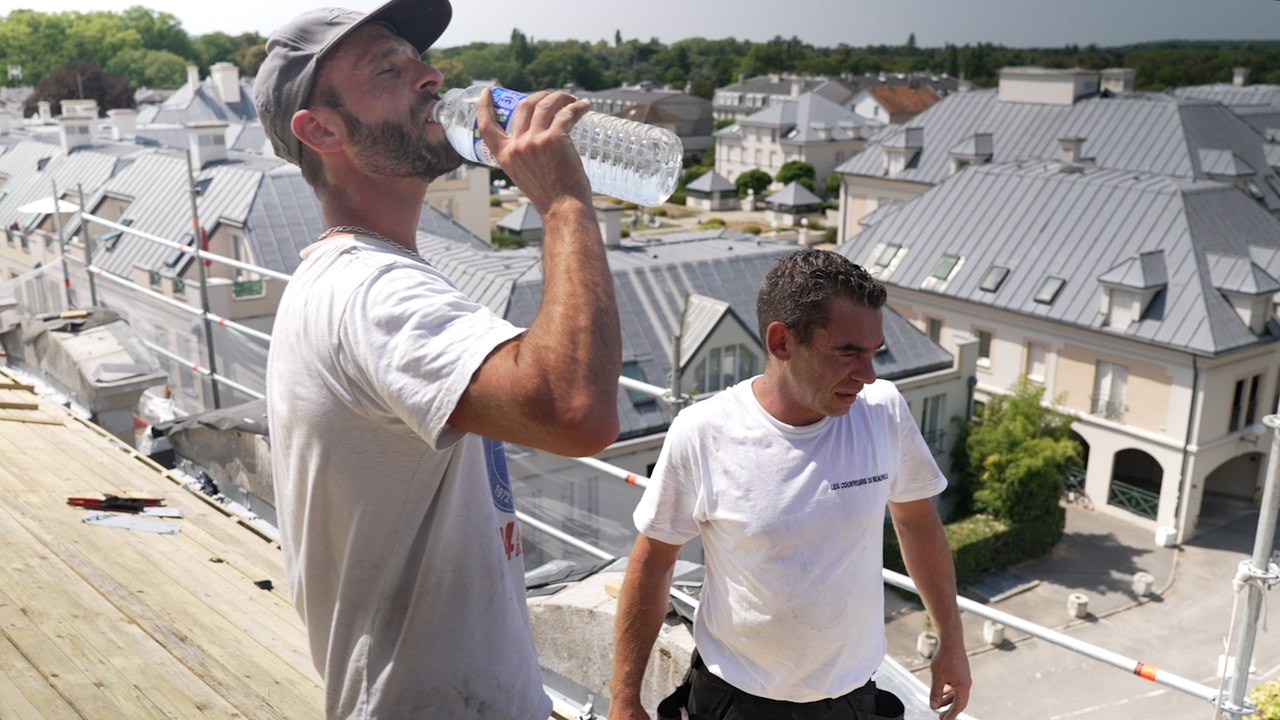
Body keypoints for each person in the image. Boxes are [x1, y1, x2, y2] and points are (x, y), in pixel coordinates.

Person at [253, 1, 621, 718]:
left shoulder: (368, 277)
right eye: (388, 68)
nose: (430, 76)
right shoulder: (370, 291)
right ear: (320, 129)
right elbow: (577, 412)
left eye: (420, 60)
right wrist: (567, 204)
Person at [608, 249, 971, 720]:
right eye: (848, 353)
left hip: (853, 700)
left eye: (873, 352)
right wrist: (624, 698)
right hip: (734, 701)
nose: (868, 374)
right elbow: (653, 562)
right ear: (781, 342)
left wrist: (952, 642)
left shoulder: (883, 411)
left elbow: (918, 524)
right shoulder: (704, 432)